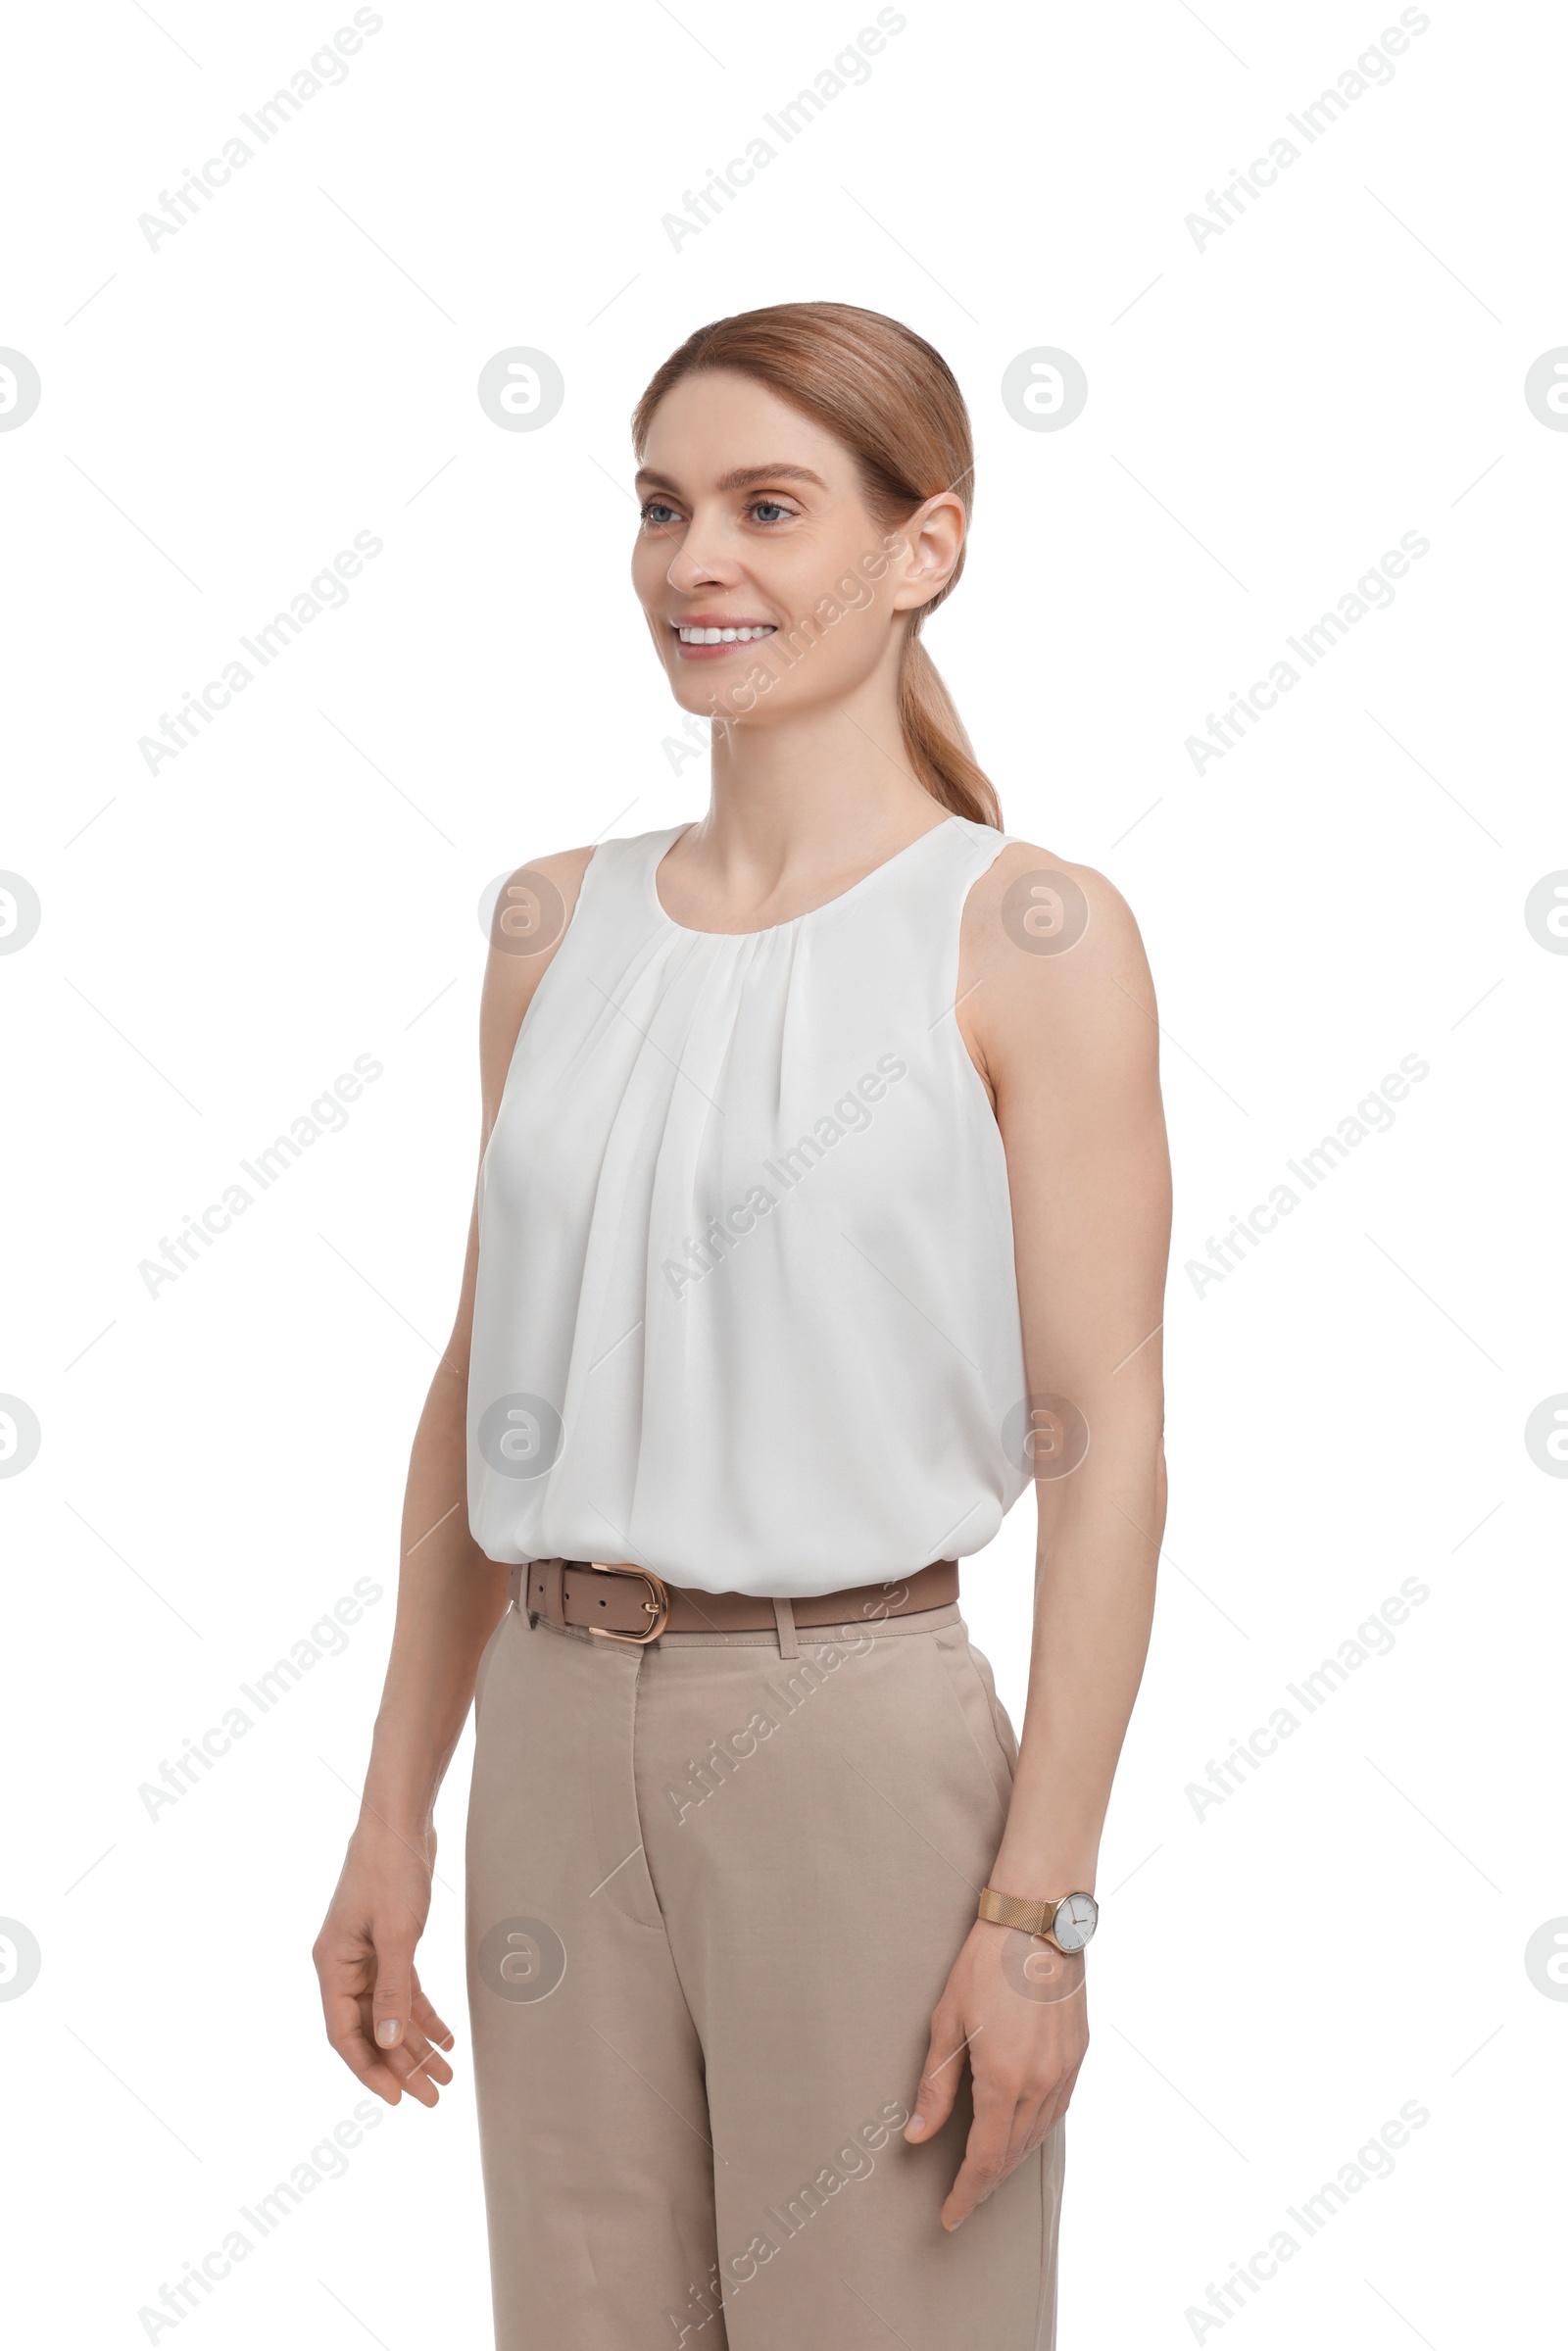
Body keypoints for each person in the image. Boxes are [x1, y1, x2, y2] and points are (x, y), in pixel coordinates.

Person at [314, 300, 1171, 2350]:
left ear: (920, 546)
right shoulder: (550, 922)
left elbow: (1107, 1435)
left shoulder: (1022, 932)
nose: (694, 561)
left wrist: (1035, 1913)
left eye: (767, 508)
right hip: (543, 1732)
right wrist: (387, 1811)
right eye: (660, 507)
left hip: (853, 1738)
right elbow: (479, 1395)